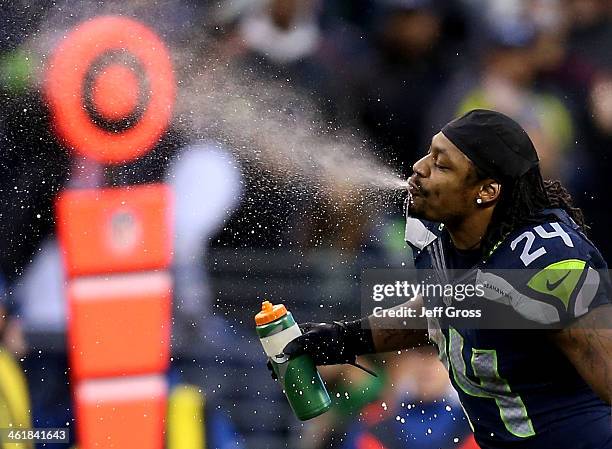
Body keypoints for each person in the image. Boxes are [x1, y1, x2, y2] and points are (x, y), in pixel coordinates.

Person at [276, 109, 612, 448]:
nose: (419, 168)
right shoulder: (435, 228)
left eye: (442, 165)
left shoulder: (544, 261)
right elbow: (452, 303)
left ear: (487, 190)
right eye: (429, 153)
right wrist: (347, 337)